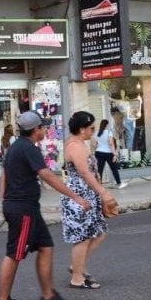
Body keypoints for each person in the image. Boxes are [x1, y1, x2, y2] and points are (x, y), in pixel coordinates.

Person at [0, 111, 90, 300]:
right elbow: (47, 176)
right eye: (43, 127)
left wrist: (5, 202)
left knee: (46, 247)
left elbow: (4, 175)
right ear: (35, 130)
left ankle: (48, 296)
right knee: (15, 254)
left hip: (23, 208)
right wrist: (76, 197)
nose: (45, 130)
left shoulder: (16, 147)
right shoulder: (28, 148)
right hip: (23, 209)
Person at [61, 111, 117, 289]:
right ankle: (77, 277)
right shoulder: (75, 146)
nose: (94, 130)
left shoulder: (79, 143)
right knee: (83, 237)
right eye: (91, 127)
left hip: (87, 194)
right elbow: (85, 173)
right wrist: (104, 193)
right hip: (79, 196)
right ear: (82, 128)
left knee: (100, 231)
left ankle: (76, 267)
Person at [93, 119, 126, 189]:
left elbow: (94, 145)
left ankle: (98, 186)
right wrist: (115, 154)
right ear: (107, 125)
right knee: (114, 169)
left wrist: (100, 147)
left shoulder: (97, 133)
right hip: (108, 153)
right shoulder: (108, 133)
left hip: (98, 153)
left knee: (99, 170)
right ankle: (119, 183)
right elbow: (111, 144)